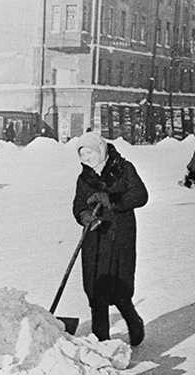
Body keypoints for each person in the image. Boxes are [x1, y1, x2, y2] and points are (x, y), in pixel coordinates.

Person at [72, 133, 149, 346]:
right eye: (83, 154)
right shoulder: (84, 178)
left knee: (120, 285)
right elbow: (78, 204)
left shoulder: (123, 169)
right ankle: (102, 342)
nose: (87, 158)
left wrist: (112, 200)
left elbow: (141, 195)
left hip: (120, 235)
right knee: (96, 289)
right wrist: (85, 216)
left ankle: (134, 321)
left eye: (90, 152)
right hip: (94, 237)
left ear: (100, 150)